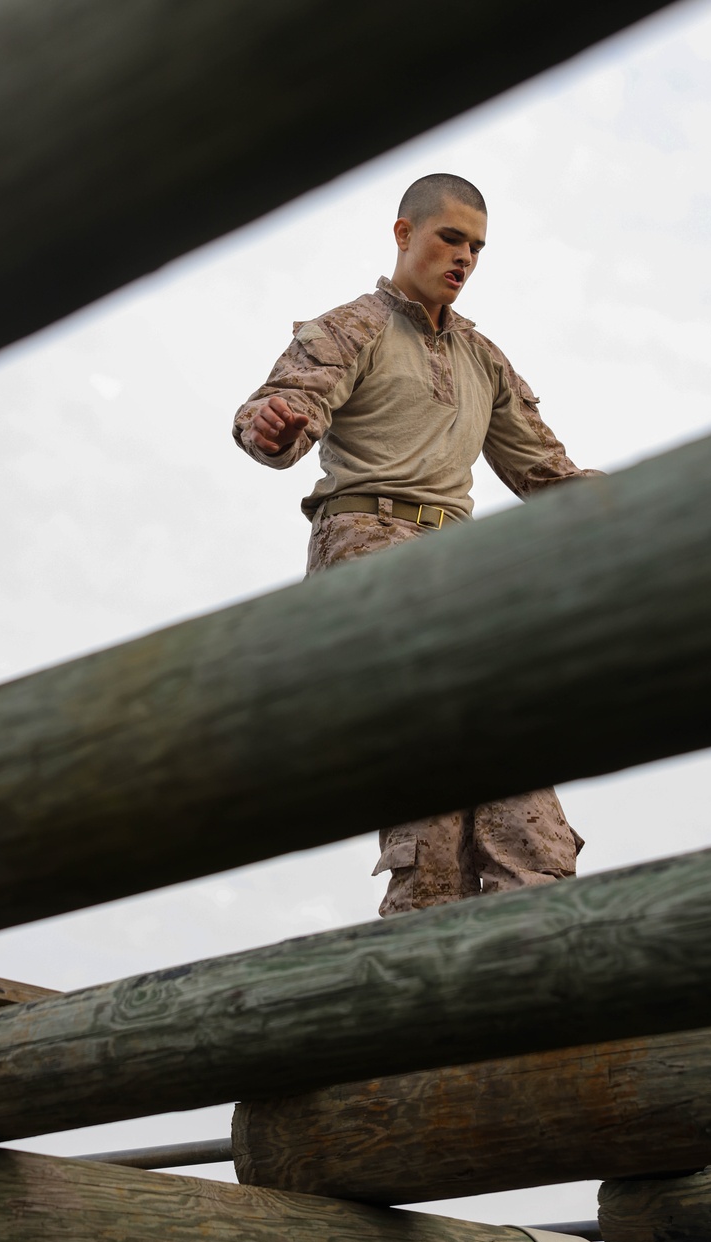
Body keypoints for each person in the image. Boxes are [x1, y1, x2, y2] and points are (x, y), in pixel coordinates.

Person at [232, 173, 601, 917]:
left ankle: (540, 963)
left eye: (477, 247)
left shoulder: (483, 360)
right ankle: (423, 975)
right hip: (370, 553)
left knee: (522, 804)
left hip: (461, 570)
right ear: (405, 234)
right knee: (432, 797)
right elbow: (282, 408)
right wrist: (272, 425)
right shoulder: (353, 328)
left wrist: (640, 500)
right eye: (450, 238)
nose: (464, 257)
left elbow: (547, 474)